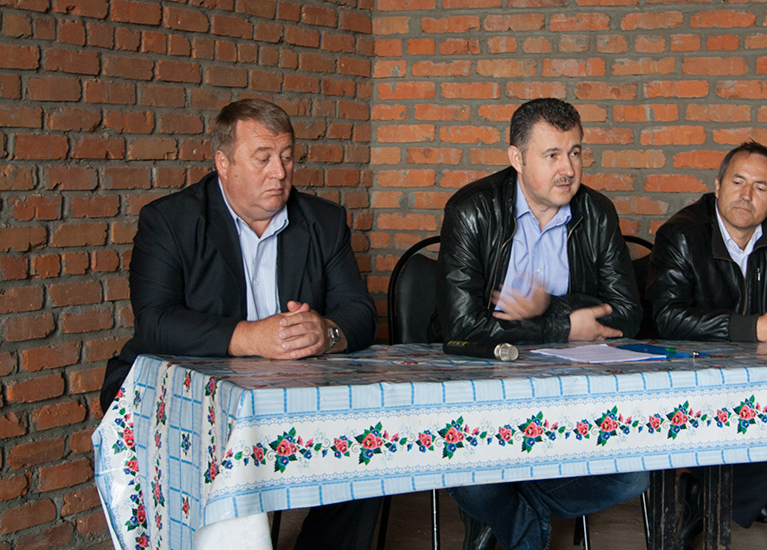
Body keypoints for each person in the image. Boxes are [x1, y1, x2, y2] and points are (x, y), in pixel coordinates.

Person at [100, 98, 380, 550]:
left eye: (287, 157)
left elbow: (360, 313)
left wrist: (326, 332)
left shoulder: (323, 221)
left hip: (286, 392)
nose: (279, 172)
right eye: (263, 158)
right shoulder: (170, 220)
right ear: (223, 164)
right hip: (187, 389)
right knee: (217, 438)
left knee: (371, 437)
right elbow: (155, 322)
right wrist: (251, 336)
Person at [434, 97, 649, 550]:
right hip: (484, 387)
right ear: (517, 158)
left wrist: (546, 307)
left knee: (633, 476)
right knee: (466, 475)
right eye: (552, 155)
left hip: (571, 391)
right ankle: (522, 526)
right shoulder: (472, 209)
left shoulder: (597, 212)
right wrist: (564, 327)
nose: (568, 169)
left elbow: (627, 313)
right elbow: (462, 327)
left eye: (575, 152)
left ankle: (506, 515)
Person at [646, 140, 767, 539]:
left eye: (760, 187)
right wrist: (756, 329)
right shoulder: (682, 233)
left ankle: (707, 496)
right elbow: (666, 318)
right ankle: (730, 494)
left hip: (760, 376)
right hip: (690, 375)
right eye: (737, 182)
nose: (746, 195)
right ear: (717, 185)